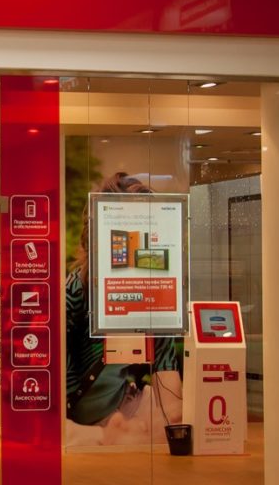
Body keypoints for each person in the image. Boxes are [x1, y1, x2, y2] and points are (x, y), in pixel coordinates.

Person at [65, 172, 182, 446]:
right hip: (77, 422)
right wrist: (105, 436)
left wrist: (159, 425)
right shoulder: (73, 297)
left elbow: (172, 408)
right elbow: (47, 417)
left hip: (122, 408)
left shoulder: (154, 299)